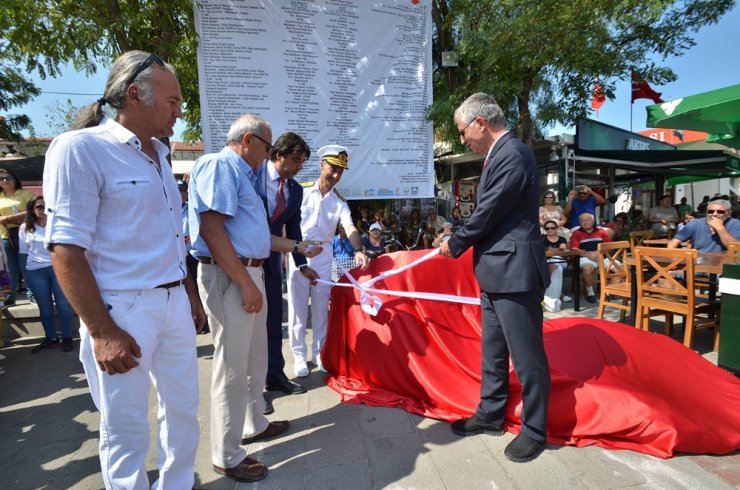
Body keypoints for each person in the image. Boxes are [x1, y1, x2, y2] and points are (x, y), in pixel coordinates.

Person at [43, 50, 206, 489]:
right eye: (172, 102)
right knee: (126, 428)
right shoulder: (80, 149)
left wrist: (188, 293)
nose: (178, 111)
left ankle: (177, 484)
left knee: (183, 411)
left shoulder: (159, 153)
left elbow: (171, 235)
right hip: (121, 310)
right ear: (135, 95)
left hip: (172, 302)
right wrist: (101, 331)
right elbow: (65, 248)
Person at [188, 114, 320, 483]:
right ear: (248, 140)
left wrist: (296, 246)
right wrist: (246, 282)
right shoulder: (219, 166)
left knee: (254, 357)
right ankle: (226, 454)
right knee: (231, 367)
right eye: (267, 147)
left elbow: (257, 236)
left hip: (252, 271)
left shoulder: (248, 175)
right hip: (232, 275)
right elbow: (211, 229)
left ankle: (252, 423)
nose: (270, 154)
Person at [439, 93, 551, 463]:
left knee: (527, 356)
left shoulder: (513, 154)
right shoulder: (499, 156)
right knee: (493, 352)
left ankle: (534, 430)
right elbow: (490, 215)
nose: (462, 140)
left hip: (516, 273)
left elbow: (488, 211)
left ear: (480, 123)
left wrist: (455, 243)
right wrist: (455, 232)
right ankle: (490, 414)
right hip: (496, 271)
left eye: (462, 132)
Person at [287, 144, 368, 377]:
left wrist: (358, 250)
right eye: (332, 169)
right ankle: (299, 356)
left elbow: (349, 227)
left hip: (323, 259)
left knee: (322, 310)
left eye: (340, 171)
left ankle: (320, 353)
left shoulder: (339, 202)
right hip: (298, 254)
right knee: (298, 310)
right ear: (322, 165)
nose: (335, 175)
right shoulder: (300, 191)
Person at [257, 132, 317, 399]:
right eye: (295, 160)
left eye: (302, 162)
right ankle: (253, 390)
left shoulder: (294, 190)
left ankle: (275, 375)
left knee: (271, 322)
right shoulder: (252, 176)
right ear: (278, 155)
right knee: (248, 327)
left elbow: (292, 227)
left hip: (271, 262)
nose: (299, 167)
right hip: (240, 262)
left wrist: (302, 264)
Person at [19, 197, 75, 353]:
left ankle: (67, 337)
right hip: (35, 271)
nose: (43, 209)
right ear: (32, 210)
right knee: (45, 308)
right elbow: (23, 253)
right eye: (39, 207)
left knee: (63, 305)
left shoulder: (58, 226)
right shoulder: (25, 228)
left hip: (58, 269)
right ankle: (51, 338)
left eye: (46, 206)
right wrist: (25, 275)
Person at [0, 167, 35, 306]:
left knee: (25, 266)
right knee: (11, 268)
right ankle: (11, 295)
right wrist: (20, 217)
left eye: (7, 178)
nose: (4, 180)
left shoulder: (25, 194)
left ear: (15, 179)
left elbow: (34, 211)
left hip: (25, 235)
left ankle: (32, 294)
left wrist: (7, 218)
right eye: (1, 179)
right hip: (5, 236)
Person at [570, 212, 612, 303]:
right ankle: (590, 293)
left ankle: (608, 291)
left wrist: (598, 253)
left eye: (587, 220)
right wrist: (588, 255)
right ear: (580, 222)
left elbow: (609, 245)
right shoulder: (577, 233)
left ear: (593, 221)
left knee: (622, 269)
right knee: (587, 269)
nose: (585, 222)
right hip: (585, 257)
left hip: (602, 256)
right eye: (583, 221)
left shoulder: (601, 232)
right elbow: (574, 248)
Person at [668, 199, 740, 253]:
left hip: (724, 267)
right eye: (710, 211)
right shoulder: (695, 223)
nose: (714, 214)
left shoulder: (736, 224)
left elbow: (736, 248)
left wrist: (719, 228)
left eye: (720, 211)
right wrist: (674, 261)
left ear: (729, 213)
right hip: (697, 264)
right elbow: (673, 242)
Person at [542, 219, 570, 312]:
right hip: (547, 261)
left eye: (552, 228)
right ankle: (558, 296)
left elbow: (562, 251)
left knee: (555, 262)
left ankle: (547, 292)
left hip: (560, 260)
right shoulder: (542, 238)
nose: (550, 230)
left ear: (556, 228)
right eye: (547, 228)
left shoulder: (561, 239)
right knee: (558, 269)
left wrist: (550, 249)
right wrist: (554, 250)